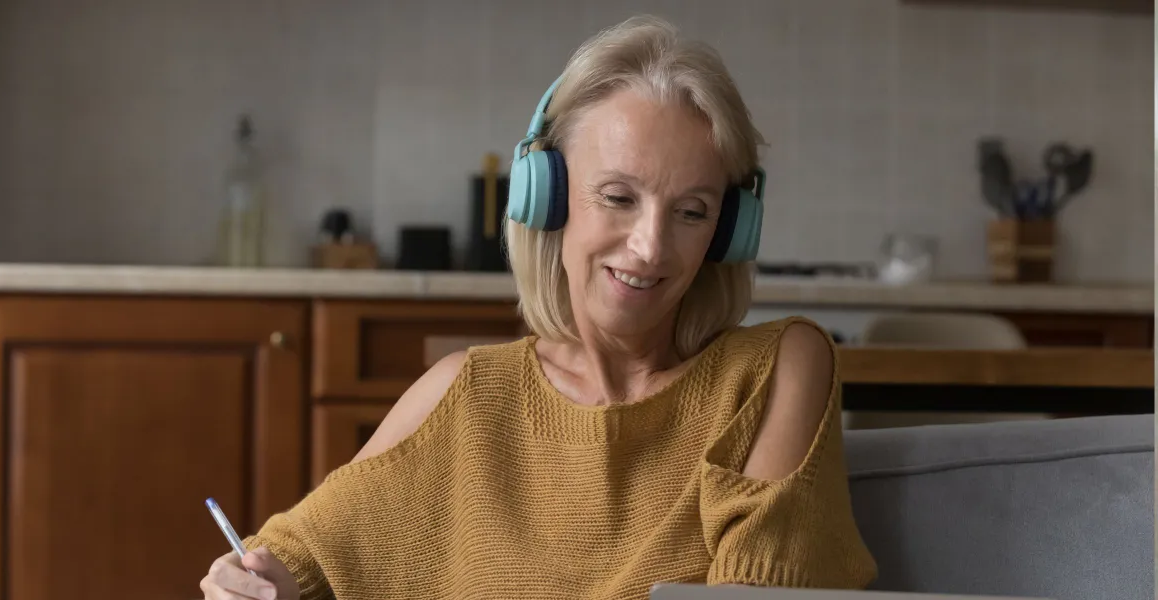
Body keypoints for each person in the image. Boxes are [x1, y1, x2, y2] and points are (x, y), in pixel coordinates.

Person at [200, 15, 877, 600]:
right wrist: (251, 578)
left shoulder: (776, 371)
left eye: (692, 212)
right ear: (547, 198)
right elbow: (298, 557)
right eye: (617, 197)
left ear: (728, 230)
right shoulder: (467, 393)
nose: (649, 248)